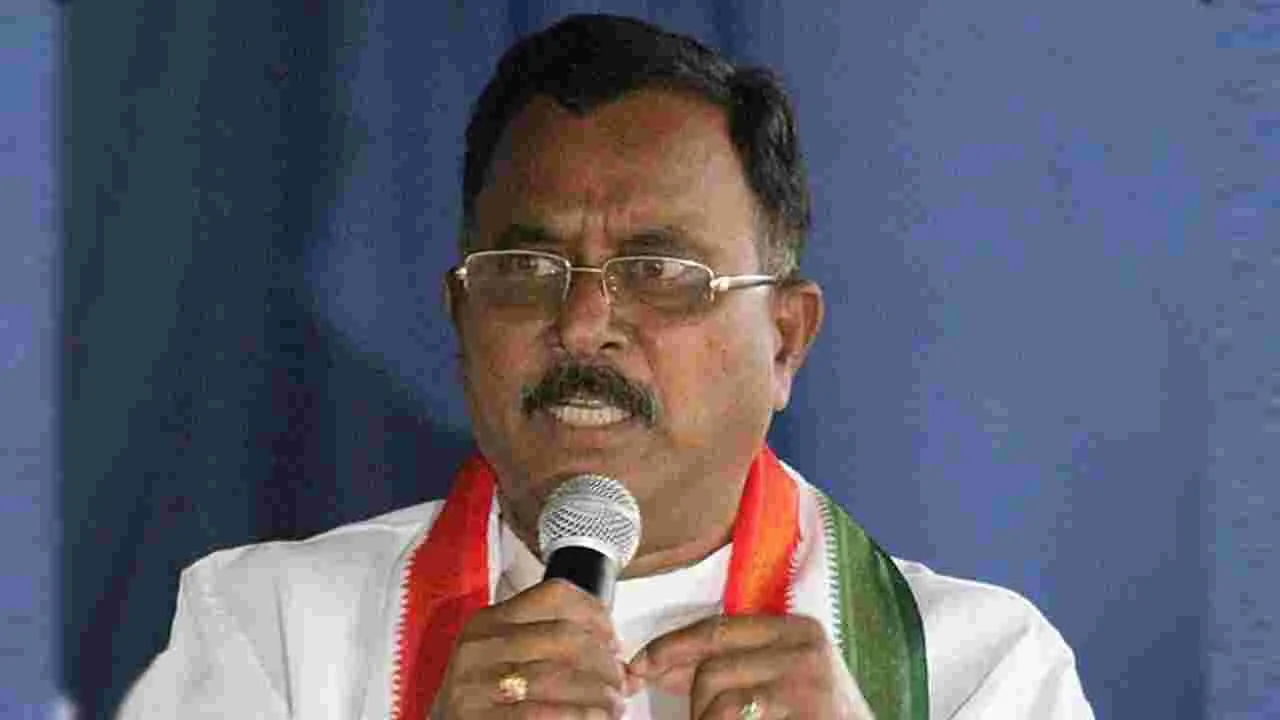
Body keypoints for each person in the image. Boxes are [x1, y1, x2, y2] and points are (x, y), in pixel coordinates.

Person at [119, 13, 1093, 720]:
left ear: (785, 340)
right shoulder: (269, 631)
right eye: (525, 268)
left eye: (658, 273)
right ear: (460, 317)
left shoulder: (977, 672)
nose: (583, 325)